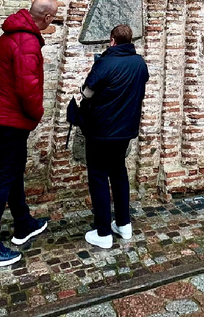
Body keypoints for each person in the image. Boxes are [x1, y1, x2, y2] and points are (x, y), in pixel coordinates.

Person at [0, 0, 57, 268]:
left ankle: (23, 224)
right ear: (46, 18)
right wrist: (37, 113)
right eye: (52, 18)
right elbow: (27, 86)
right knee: (3, 178)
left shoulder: (10, 35)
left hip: (4, 116)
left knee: (13, 171)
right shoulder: (27, 41)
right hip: (12, 119)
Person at [77, 23, 149, 249]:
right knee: (118, 173)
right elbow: (141, 83)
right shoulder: (139, 63)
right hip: (124, 130)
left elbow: (87, 92)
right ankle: (124, 224)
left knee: (98, 176)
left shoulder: (105, 62)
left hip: (100, 130)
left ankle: (103, 231)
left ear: (112, 41)